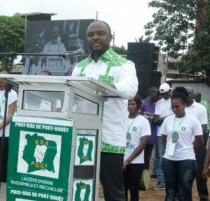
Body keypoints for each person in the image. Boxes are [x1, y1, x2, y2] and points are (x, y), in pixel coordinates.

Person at [71, 20, 138, 201]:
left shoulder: (123, 64)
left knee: (113, 193)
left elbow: (130, 88)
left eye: (100, 33)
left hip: (109, 140)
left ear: (110, 36)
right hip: (83, 139)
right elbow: (72, 95)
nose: (95, 37)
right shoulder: (80, 67)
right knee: (81, 188)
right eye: (91, 35)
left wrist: (105, 87)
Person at [161, 87, 203, 201]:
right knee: (170, 192)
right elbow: (164, 138)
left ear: (184, 104)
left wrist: (189, 153)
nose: (175, 109)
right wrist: (169, 149)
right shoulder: (167, 120)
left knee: (184, 192)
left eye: (177, 106)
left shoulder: (193, 120)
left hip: (187, 161)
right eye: (172, 107)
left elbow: (199, 141)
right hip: (169, 160)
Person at [123, 95, 150, 201]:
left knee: (134, 190)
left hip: (136, 162)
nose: (130, 106)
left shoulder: (143, 121)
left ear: (138, 106)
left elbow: (143, 144)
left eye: (133, 104)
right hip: (122, 160)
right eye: (128, 104)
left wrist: (128, 160)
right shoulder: (122, 119)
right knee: (122, 188)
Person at [184, 87, 209, 201]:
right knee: (185, 174)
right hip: (183, 147)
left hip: (198, 145)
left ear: (192, 94)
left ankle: (203, 197)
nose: (188, 96)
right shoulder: (180, 107)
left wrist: (195, 143)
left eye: (190, 94)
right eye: (186, 94)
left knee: (199, 174)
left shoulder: (200, 108)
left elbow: (203, 128)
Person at [152, 83, 174, 190]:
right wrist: (169, 117)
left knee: (171, 155)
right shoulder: (159, 103)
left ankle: (170, 181)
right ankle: (161, 181)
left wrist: (162, 119)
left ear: (170, 91)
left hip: (173, 133)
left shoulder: (174, 102)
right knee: (161, 157)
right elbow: (156, 120)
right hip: (161, 134)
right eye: (163, 94)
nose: (165, 95)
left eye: (166, 93)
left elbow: (175, 117)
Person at [139, 87, 159, 176]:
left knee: (147, 158)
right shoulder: (142, 104)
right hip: (142, 135)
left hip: (151, 136)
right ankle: (138, 176)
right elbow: (138, 117)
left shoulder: (156, 105)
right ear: (151, 93)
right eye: (156, 94)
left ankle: (144, 180)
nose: (158, 96)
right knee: (139, 157)